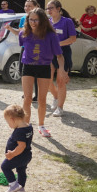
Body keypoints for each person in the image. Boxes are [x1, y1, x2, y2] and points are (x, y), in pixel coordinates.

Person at [18, 8, 63, 137]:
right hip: (28, 66)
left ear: (42, 20)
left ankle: (41, 125)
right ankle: (25, 126)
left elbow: (59, 56)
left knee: (42, 99)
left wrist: (61, 70)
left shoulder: (51, 35)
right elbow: (23, 47)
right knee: (27, 98)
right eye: (30, 19)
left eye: (36, 20)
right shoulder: (23, 34)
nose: (33, 22)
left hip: (44, 67)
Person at [46, 0, 76, 119]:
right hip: (50, 54)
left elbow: (73, 38)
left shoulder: (67, 21)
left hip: (64, 54)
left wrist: (58, 44)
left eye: (51, 8)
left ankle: (60, 107)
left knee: (60, 81)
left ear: (58, 9)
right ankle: (56, 97)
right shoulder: (47, 22)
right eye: (47, 8)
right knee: (47, 80)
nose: (49, 10)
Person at [1, 104, 33, 192]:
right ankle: (21, 187)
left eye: (8, 122)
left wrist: (12, 154)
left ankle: (13, 184)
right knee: (21, 170)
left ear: (12, 119)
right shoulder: (28, 127)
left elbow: (21, 146)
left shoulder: (19, 131)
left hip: (18, 156)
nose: (9, 125)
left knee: (5, 167)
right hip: (27, 155)